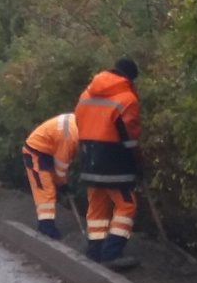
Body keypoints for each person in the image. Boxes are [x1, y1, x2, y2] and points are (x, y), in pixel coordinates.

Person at [74, 58, 142, 270]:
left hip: (89, 160)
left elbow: (79, 124)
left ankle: (95, 252)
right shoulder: (127, 98)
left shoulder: (86, 95)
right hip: (115, 164)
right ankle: (111, 254)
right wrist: (139, 164)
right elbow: (129, 138)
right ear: (130, 78)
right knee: (126, 206)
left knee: (97, 208)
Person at [23, 113, 78, 240]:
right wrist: (62, 184)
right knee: (45, 190)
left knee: (48, 189)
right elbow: (61, 166)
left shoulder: (77, 123)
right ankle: (46, 227)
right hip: (35, 152)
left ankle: (46, 224)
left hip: (48, 149)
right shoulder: (70, 137)